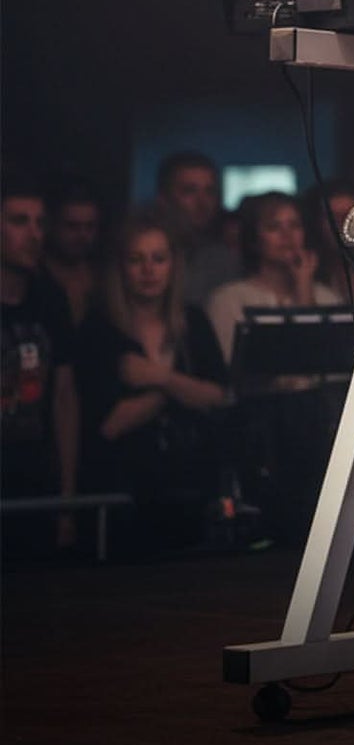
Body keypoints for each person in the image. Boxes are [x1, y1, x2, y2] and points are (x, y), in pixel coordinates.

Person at [75, 208, 228, 549]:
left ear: (174, 264)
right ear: (120, 267)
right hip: (123, 491)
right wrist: (183, 390)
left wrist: (158, 377)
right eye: (136, 260)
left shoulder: (193, 321)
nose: (149, 270)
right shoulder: (99, 329)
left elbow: (220, 396)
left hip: (193, 486)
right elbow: (111, 424)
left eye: (159, 259)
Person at [1, 172, 80, 554]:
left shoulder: (50, 297)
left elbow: (65, 397)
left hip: (35, 476)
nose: (34, 234)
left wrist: (67, 499)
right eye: (20, 221)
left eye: (40, 223)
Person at [205, 192, 342, 368]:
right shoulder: (228, 300)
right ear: (254, 239)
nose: (287, 235)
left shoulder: (328, 298)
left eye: (295, 225)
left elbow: (324, 362)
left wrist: (304, 289)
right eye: (273, 227)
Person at [156, 152, 240, 309]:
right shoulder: (148, 253)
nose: (203, 202)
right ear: (164, 199)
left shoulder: (227, 258)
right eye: (189, 191)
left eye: (210, 191)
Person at [43, 181, 103, 327]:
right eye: (72, 226)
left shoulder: (104, 279)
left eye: (89, 227)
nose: (82, 235)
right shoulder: (34, 277)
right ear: (51, 226)